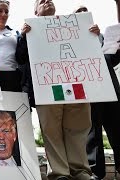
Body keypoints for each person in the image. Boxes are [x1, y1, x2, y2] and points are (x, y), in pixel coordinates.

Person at [16, 0, 101, 179]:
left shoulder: (74, 26)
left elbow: (90, 51)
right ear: (36, 10)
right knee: (52, 131)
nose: (47, 1)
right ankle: (60, 173)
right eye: (41, 0)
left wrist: (94, 35)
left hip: (76, 86)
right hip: (47, 89)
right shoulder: (28, 30)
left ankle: (80, 171)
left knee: (78, 129)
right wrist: (24, 36)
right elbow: (20, 57)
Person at [73, 4, 120, 179]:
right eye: (79, 14)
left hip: (110, 89)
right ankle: (95, 172)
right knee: (92, 132)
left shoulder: (102, 36)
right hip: (88, 91)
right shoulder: (70, 42)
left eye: (86, 13)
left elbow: (112, 60)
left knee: (117, 128)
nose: (84, 15)